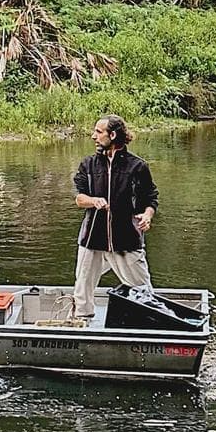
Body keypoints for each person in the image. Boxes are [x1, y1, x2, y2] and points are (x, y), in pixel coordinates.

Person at [72, 114, 159, 317]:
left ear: (113, 134)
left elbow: (150, 199)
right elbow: (79, 198)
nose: (93, 136)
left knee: (142, 290)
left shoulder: (138, 166)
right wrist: (93, 201)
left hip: (126, 238)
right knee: (82, 289)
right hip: (92, 238)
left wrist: (147, 216)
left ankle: (150, 323)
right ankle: (82, 322)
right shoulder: (88, 164)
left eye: (98, 132)